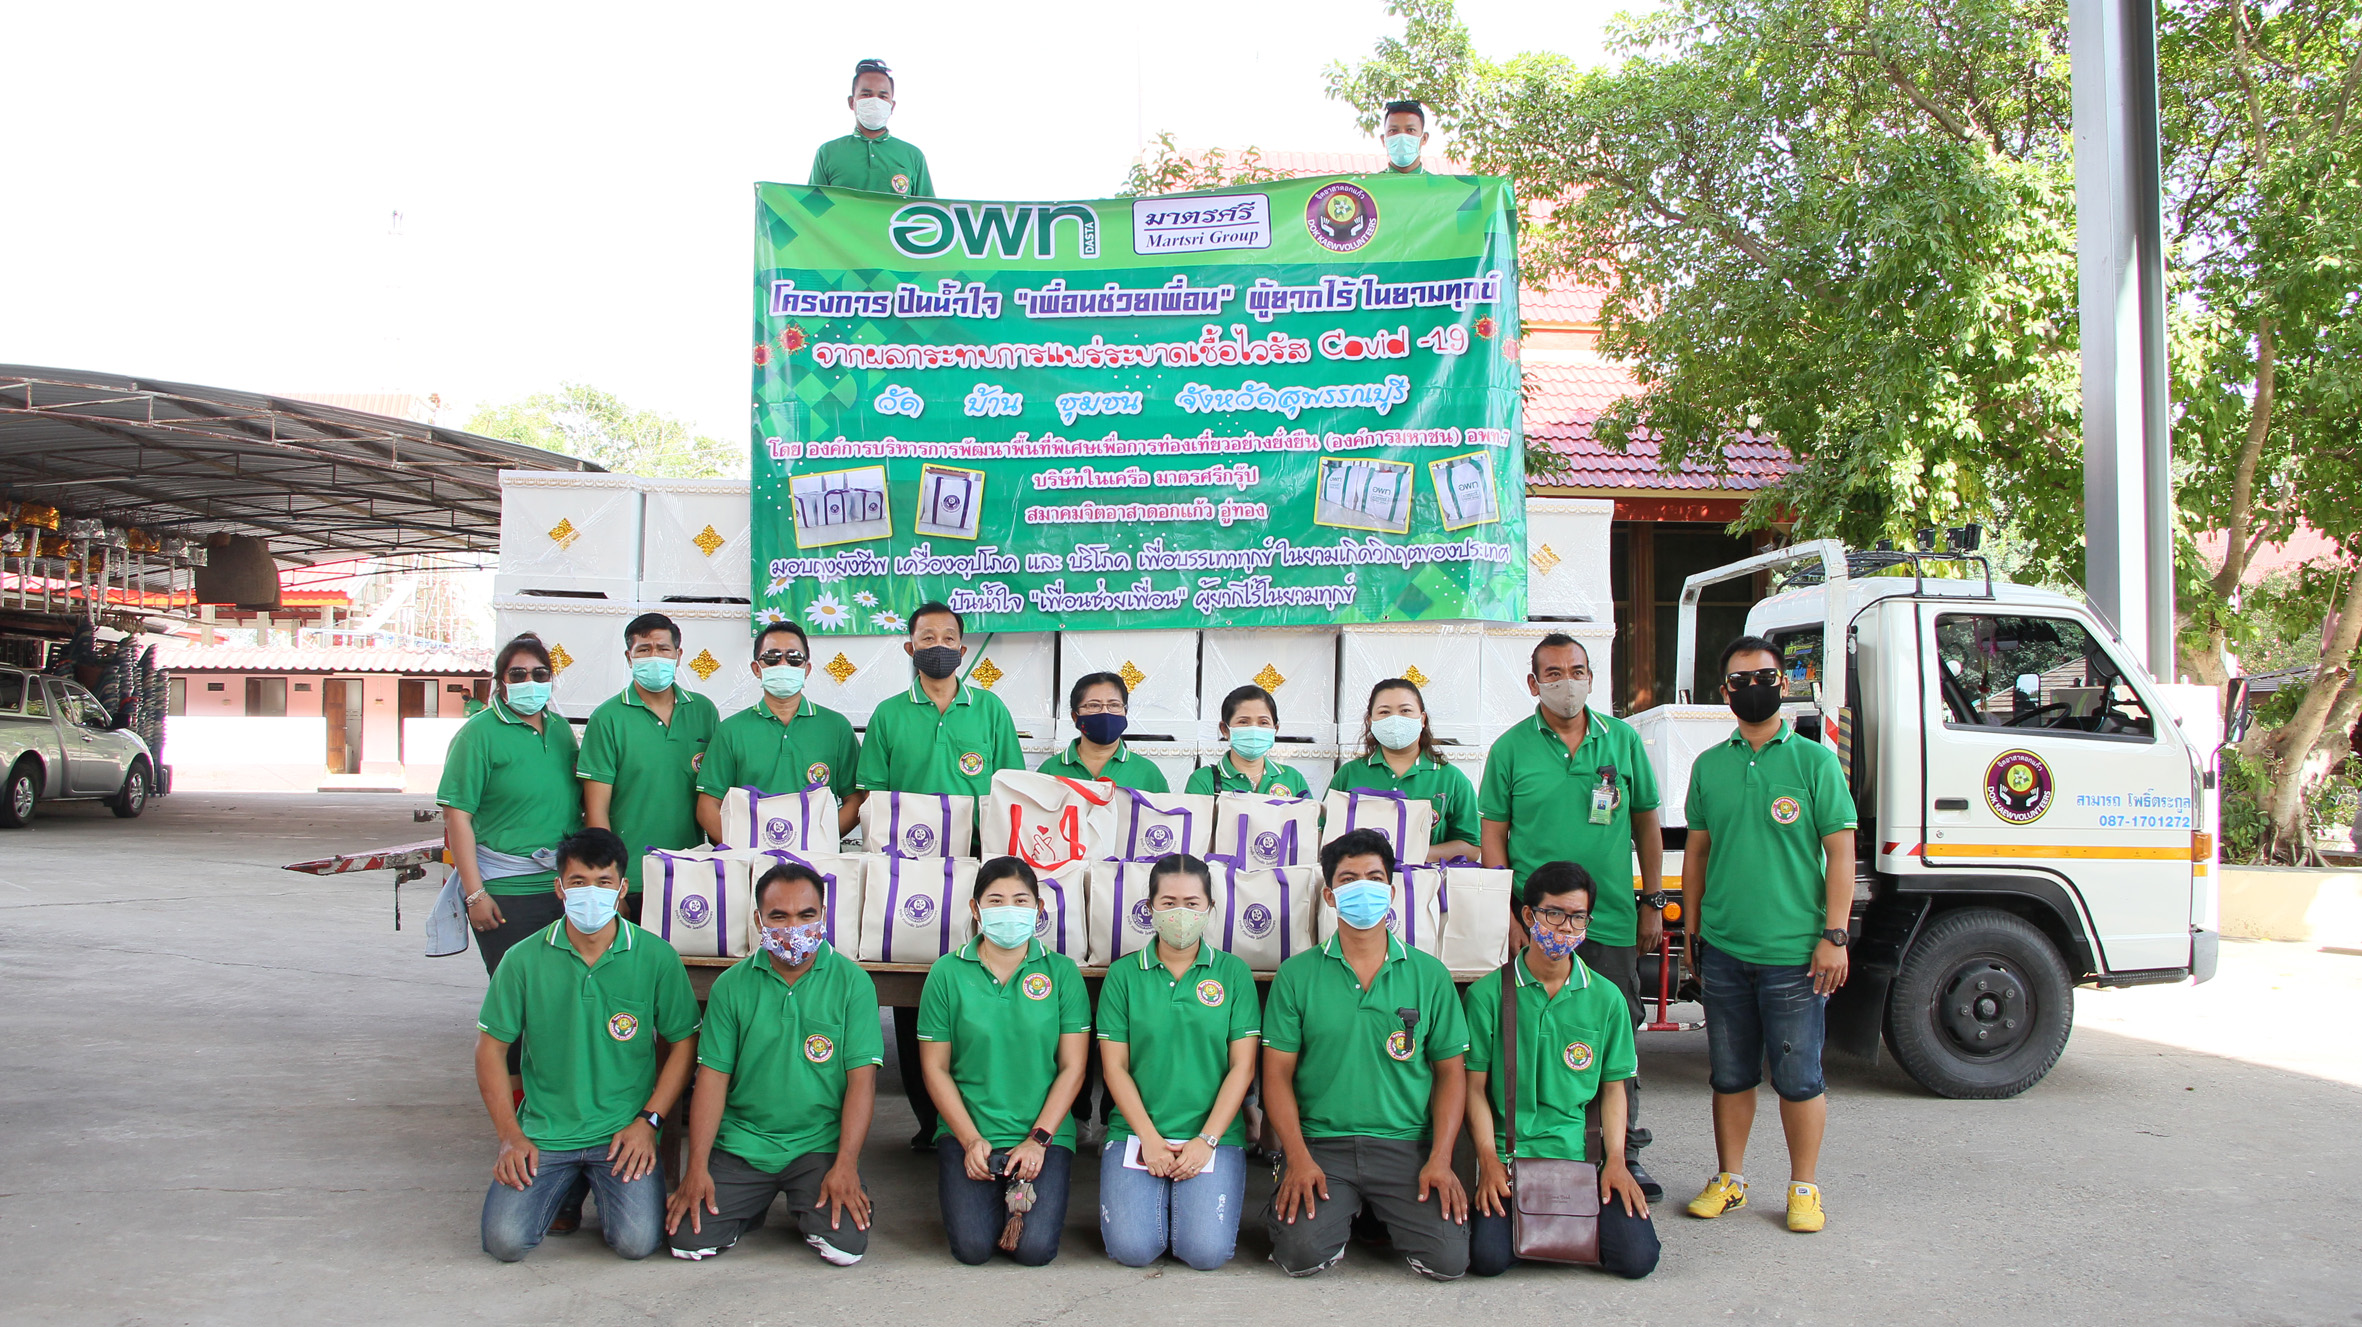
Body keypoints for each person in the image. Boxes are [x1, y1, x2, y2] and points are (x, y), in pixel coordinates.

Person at [1477, 631, 1664, 1198]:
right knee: (1530, 1035)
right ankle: (1531, 1147)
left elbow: (1647, 824)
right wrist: (1509, 916)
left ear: (1591, 677)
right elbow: (1494, 837)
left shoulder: (1622, 741)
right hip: (1535, 924)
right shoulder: (1510, 749)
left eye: (1576, 671)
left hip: (1608, 922)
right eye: (1553, 674)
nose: (1567, 683)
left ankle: (1621, 1154)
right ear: (1534, 683)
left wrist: (1653, 901)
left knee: (1615, 1038)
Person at [1681, 635, 1857, 1234]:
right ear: (1724, 692)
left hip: (1795, 954)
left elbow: (1840, 852)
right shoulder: (1709, 766)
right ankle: (1729, 1179)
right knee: (1730, 1075)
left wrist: (1835, 934)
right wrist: (1694, 930)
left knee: (1798, 1078)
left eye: (1764, 677)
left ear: (1783, 684)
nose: (1752, 688)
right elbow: (1698, 853)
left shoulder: (1815, 762)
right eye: (1740, 680)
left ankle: (1803, 1187)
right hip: (1726, 948)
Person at [474, 828, 699, 1262]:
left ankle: (582, 1183)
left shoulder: (656, 956)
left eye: (603, 882)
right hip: (545, 1133)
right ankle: (569, 1185)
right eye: (578, 882)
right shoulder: (522, 959)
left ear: (623, 888)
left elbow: (684, 1042)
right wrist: (509, 1137)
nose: (591, 893)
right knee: (505, 1242)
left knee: (636, 1243)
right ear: (559, 888)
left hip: (622, 1133)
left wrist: (648, 1121)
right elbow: (490, 1050)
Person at [1262, 828, 1471, 1280]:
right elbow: (1276, 1075)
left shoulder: (1430, 975)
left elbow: (1451, 1074)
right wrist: (1297, 1156)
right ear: (1330, 895)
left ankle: (1369, 1214)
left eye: (1375, 879)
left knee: (1449, 1262)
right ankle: (1345, 1213)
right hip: (1323, 1145)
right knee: (1301, 1255)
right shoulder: (1296, 975)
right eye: (1348, 879)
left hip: (1405, 1144)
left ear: (1391, 892)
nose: (1363, 889)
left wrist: (1440, 1158)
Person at [855, 601, 1027, 1149]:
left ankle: (984, 1116)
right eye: (926, 637)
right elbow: (873, 797)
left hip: (978, 871)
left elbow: (1010, 794)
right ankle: (929, 1122)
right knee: (916, 990)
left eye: (948, 637)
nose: (938, 646)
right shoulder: (888, 714)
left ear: (962, 647)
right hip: (910, 872)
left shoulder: (990, 710)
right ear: (910, 648)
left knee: (977, 986)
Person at [666, 860, 881, 1265]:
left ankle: (801, 1203)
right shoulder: (731, 986)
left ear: (823, 915)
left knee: (845, 1248)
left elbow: (862, 1082)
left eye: (806, 915)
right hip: (744, 1142)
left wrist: (846, 1165)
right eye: (778, 916)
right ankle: (751, 1205)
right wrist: (695, 1168)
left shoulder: (853, 983)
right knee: (687, 1242)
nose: (793, 928)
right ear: (758, 920)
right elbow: (712, 1079)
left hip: (818, 1144)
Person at [1463, 861, 1661, 1279]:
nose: (1566, 928)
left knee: (1637, 1259)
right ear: (1528, 915)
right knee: (1486, 1259)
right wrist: (1488, 1160)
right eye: (1554, 914)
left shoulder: (1606, 998)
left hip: (1582, 1158)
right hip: (1511, 1159)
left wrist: (1616, 1162)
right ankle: (1554, 1234)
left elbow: (1614, 1089)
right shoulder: (1487, 995)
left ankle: (1553, 1232)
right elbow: (1474, 1088)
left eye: (1577, 917)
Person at [916, 857, 1091, 1266]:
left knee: (1034, 1250)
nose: (1008, 909)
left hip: (1043, 1133)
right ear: (975, 909)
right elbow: (935, 1068)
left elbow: (1073, 1067)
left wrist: (1039, 1139)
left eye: (1020, 900)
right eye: (995, 900)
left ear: (1038, 908)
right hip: (969, 1128)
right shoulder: (946, 973)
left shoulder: (1062, 973)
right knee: (972, 1248)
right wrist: (969, 1140)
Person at [1096, 854, 1260, 1270]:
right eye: (1168, 903)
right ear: (1150, 907)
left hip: (1212, 1135)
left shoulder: (1233, 973)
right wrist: (1149, 1139)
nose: (1180, 913)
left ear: (1209, 908)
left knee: (1205, 1252)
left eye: (1192, 902)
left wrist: (1206, 1141)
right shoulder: (1123, 975)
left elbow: (1242, 1067)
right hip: (1138, 1133)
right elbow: (1114, 1068)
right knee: (1133, 1250)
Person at [442, 633, 584, 980]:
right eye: (518, 674)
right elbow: (457, 817)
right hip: (506, 891)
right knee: (517, 990)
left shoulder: (560, 730)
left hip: (562, 888)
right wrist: (475, 895)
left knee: (563, 989)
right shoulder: (478, 734)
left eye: (539, 674)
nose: (529, 681)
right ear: (501, 682)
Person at [579, 612, 719, 919]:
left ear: (678, 655)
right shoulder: (608, 718)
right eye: (643, 649)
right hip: (632, 877)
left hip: (691, 871)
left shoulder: (704, 711)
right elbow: (596, 810)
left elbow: (716, 794)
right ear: (629, 657)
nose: (654, 656)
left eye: (663, 648)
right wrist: (608, 883)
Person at [695, 620, 864, 845]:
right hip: (750, 861)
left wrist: (819, 841)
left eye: (794, 658)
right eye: (772, 657)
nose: (783, 664)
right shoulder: (731, 730)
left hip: (817, 860)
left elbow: (856, 801)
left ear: (807, 669)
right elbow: (707, 806)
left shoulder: (836, 727)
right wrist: (744, 848)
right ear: (757, 669)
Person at [1327, 677, 1480, 862]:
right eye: (1384, 712)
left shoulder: (1451, 778)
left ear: (1422, 719)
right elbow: (1324, 833)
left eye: (1405, 711)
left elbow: (1471, 846)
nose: (1395, 720)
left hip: (1423, 879)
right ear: (1370, 721)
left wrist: (1414, 855)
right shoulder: (1349, 774)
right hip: (1362, 878)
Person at [809, 57, 934, 198]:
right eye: (866, 95)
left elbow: (927, 209)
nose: (875, 101)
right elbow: (813, 208)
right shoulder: (828, 153)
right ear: (852, 102)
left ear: (892, 106)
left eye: (883, 96)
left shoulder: (913, 156)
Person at [1036, 671, 1169, 792]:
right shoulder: (1049, 770)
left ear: (1125, 712)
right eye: (1094, 705)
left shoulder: (1147, 772)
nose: (1105, 712)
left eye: (1114, 705)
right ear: (1075, 716)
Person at [1184, 684, 1310, 798]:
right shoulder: (1203, 780)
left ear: (1275, 729)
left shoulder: (1293, 779)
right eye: (1243, 722)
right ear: (1225, 729)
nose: (1254, 729)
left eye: (1263, 722)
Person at [1379, 99, 1429, 174]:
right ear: (1383, 140)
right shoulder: (1370, 181)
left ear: (1424, 138)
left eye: (1410, 130)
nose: (1401, 136)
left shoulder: (1439, 181)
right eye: (1393, 130)